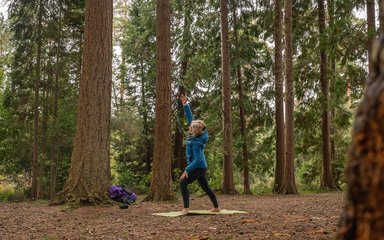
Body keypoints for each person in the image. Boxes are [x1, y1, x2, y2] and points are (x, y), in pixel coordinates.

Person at [179, 94, 219, 215]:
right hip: (200, 166)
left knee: (183, 183)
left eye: (190, 127)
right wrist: (185, 104)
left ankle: (186, 209)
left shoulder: (197, 143)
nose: (189, 127)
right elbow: (191, 119)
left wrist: (186, 170)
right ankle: (216, 207)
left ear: (194, 131)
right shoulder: (198, 133)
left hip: (198, 166)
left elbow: (197, 160)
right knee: (205, 187)